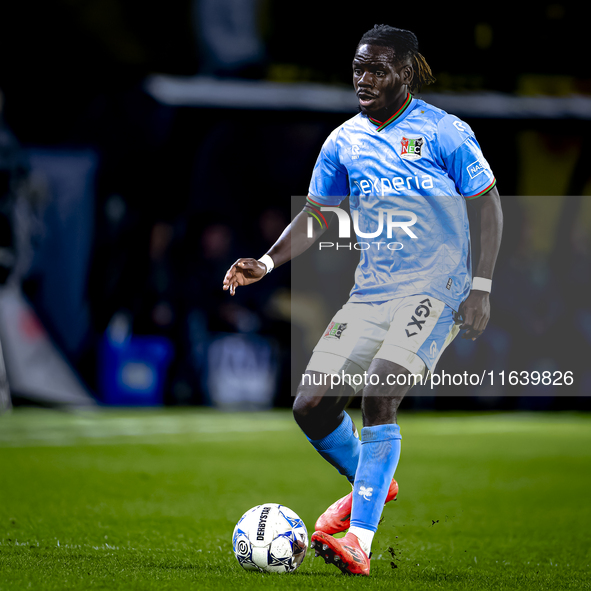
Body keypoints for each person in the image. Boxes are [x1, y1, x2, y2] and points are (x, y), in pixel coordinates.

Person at [223, 24, 503, 576]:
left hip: (436, 290)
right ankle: (374, 480)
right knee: (310, 406)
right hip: (371, 293)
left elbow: (489, 205)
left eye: (377, 68)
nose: (364, 78)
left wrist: (481, 286)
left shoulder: (444, 131)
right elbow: (318, 215)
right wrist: (269, 261)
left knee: (379, 391)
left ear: (405, 70)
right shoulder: (343, 141)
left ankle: (360, 541)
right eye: (358, 67)